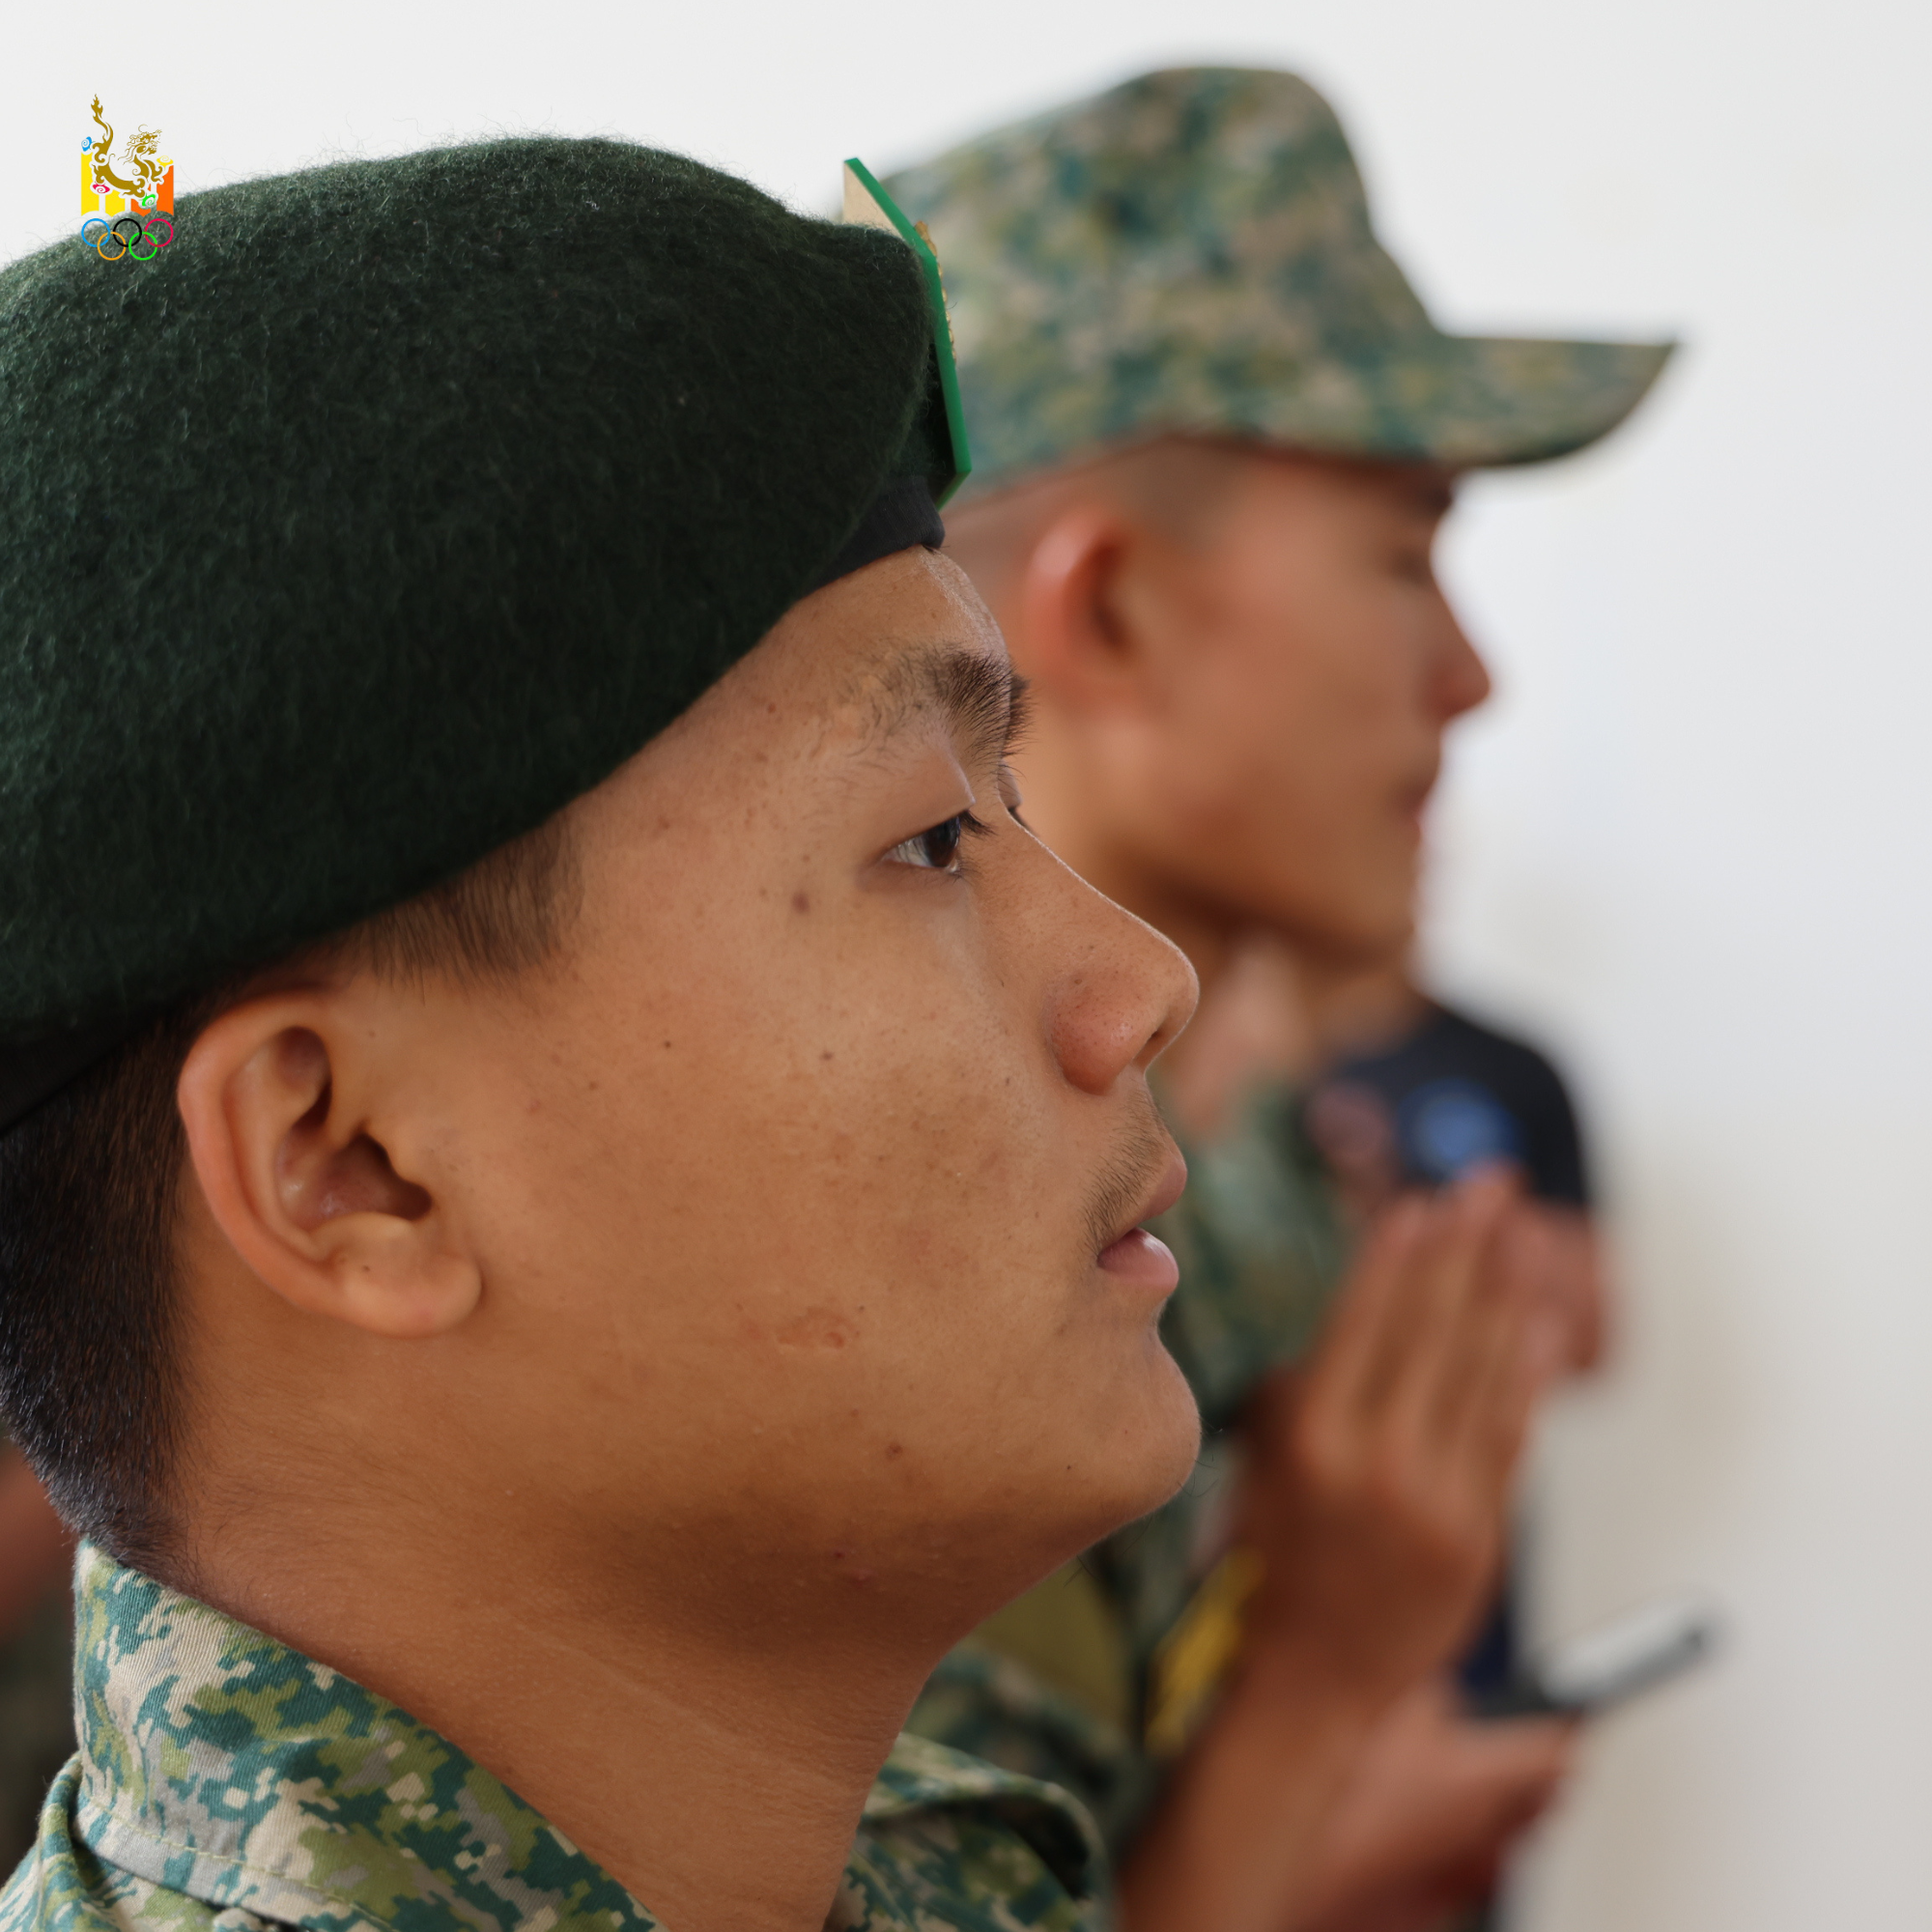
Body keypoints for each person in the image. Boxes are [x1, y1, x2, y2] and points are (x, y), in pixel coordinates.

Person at [886, 65, 1670, 1930]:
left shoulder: (1221, 1183)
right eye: (1404, 554)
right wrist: (1314, 1695)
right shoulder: (906, 1247)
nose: (1467, 676)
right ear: (1116, 614)